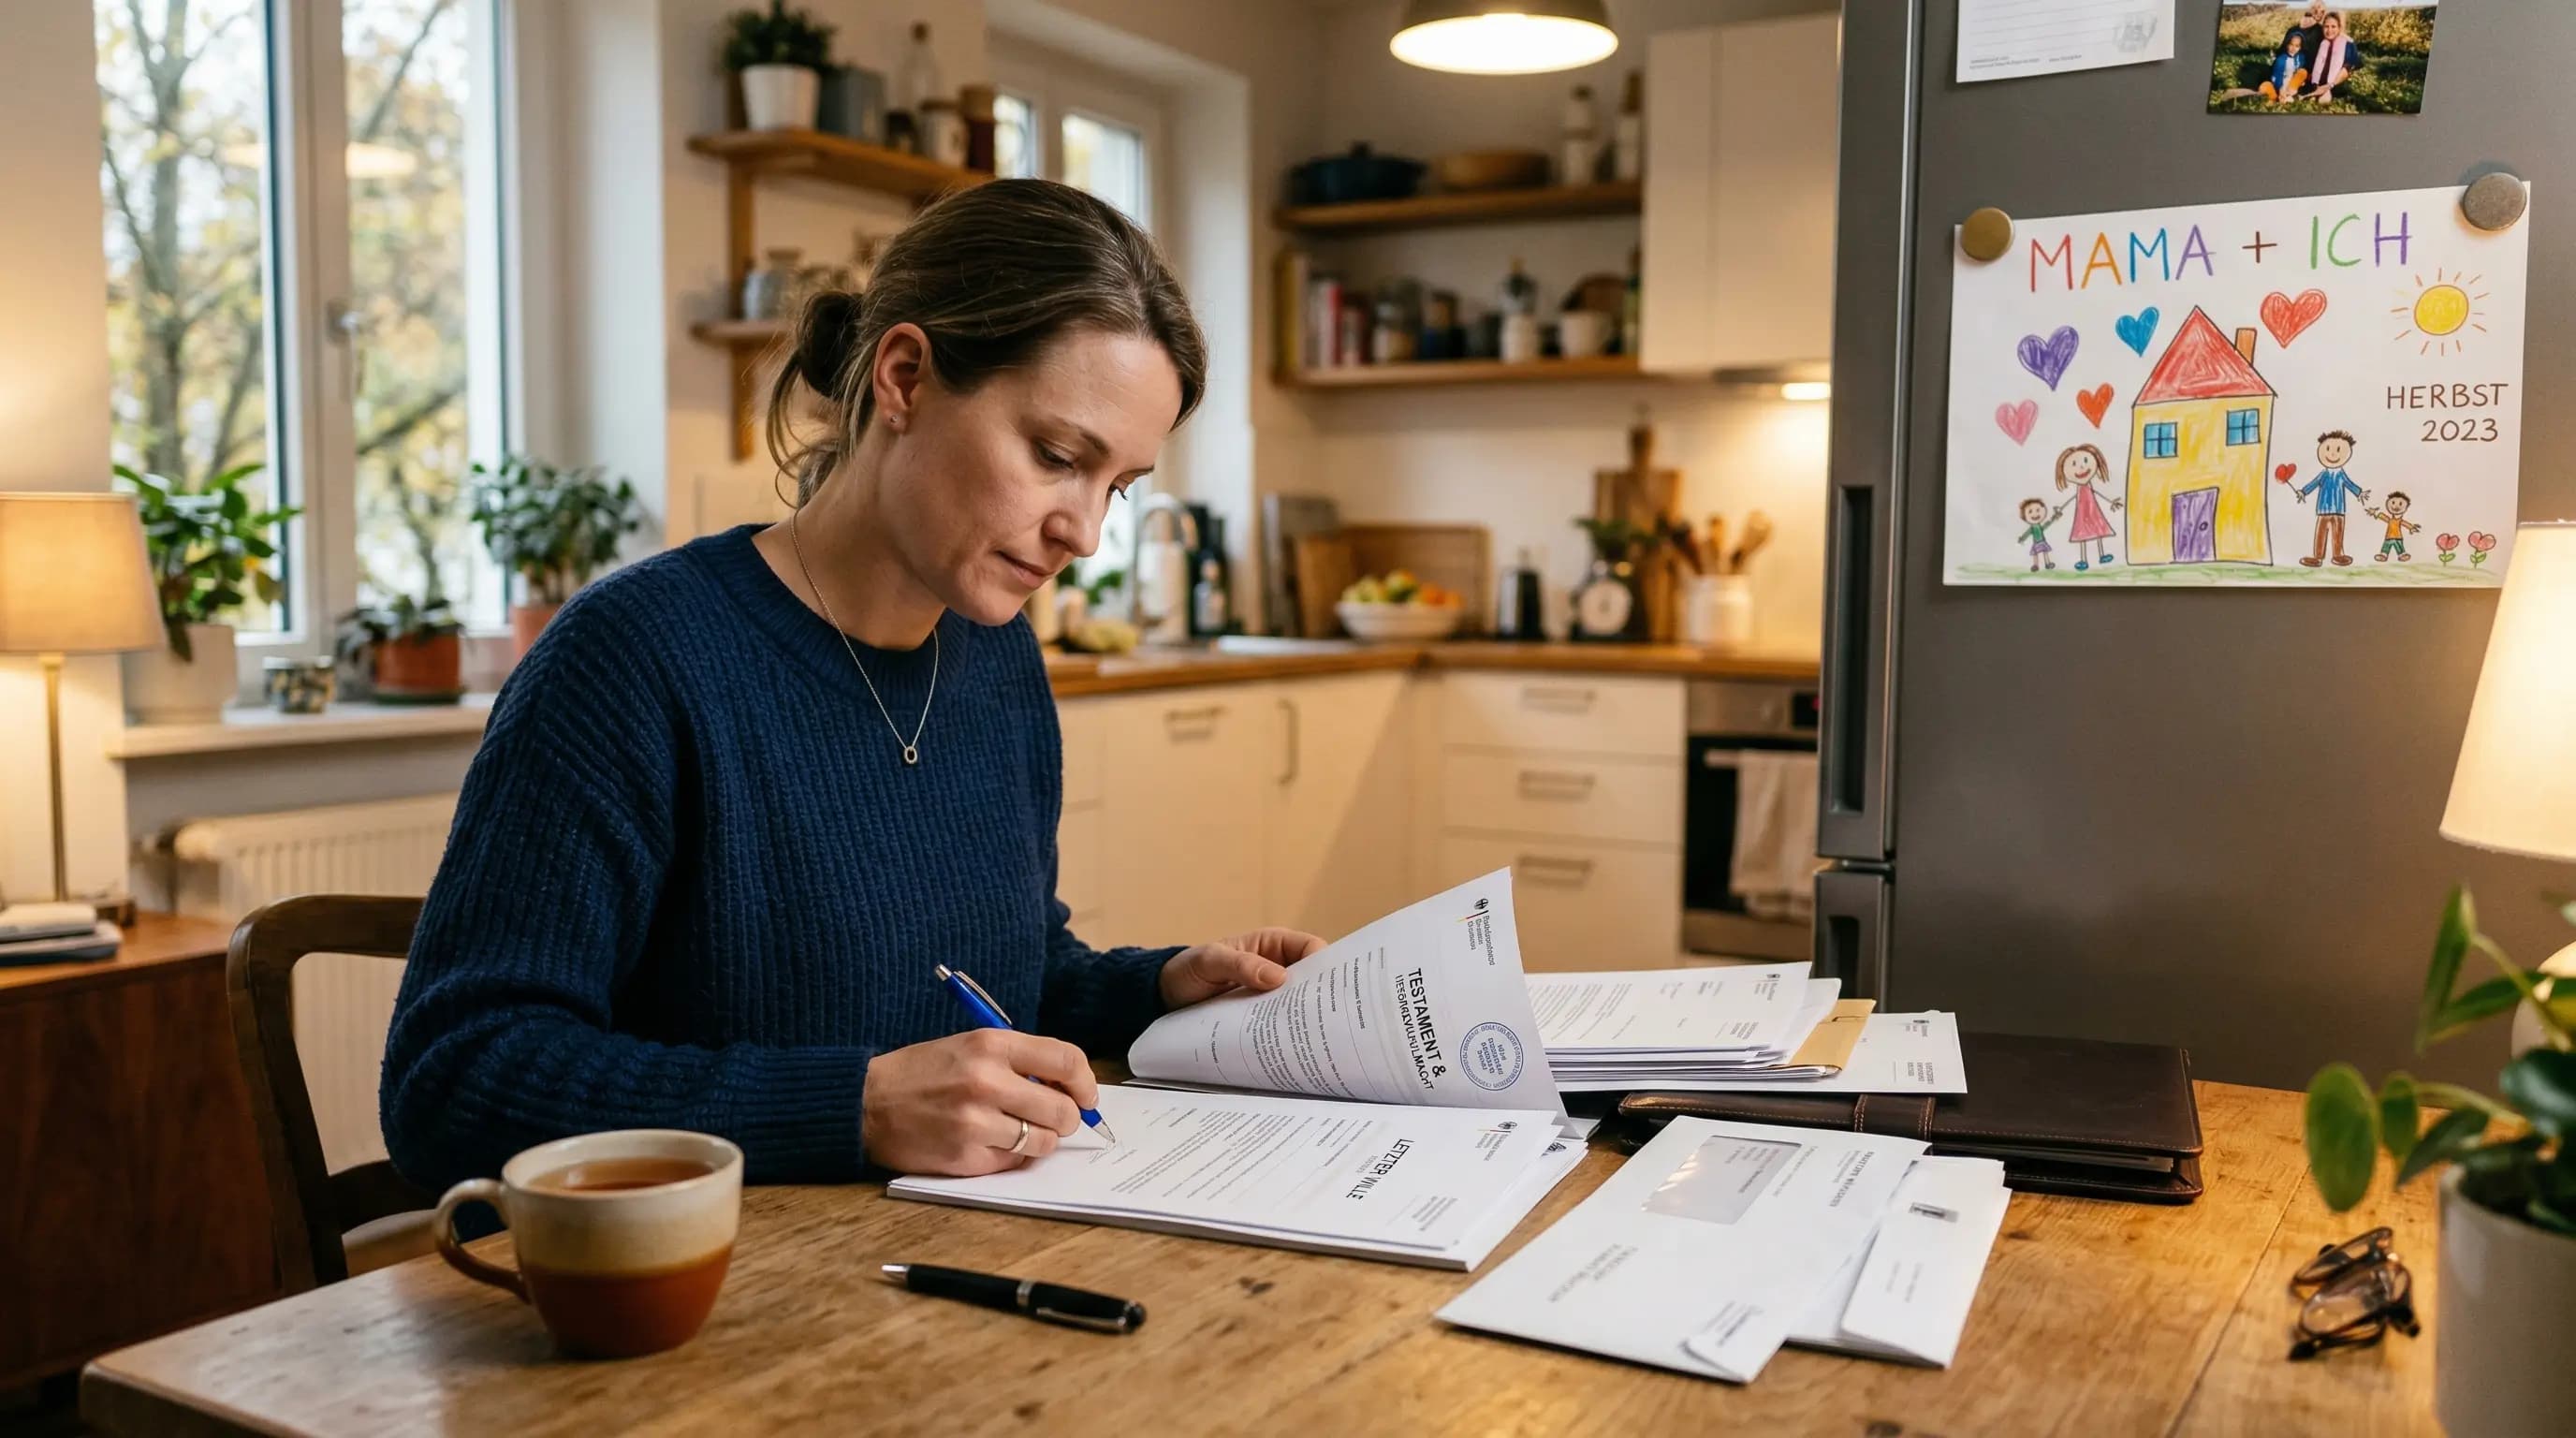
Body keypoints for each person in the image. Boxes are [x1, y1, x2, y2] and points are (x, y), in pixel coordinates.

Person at [381, 180, 1328, 1194]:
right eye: (1057, 456)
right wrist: (855, 1107)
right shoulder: (633, 659)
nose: (1084, 533)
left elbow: (995, 979)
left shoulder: (997, 659)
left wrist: (1157, 989)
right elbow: (453, 1082)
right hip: (694, 1275)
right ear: (904, 377)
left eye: (1118, 489)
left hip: (913, 1253)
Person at [2292, 430, 2368, 567]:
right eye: (2328, 449)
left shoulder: (2341, 474)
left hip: (2339, 509)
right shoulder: (2324, 474)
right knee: (2321, 533)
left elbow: (2349, 484)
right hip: (2323, 509)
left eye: (2338, 450)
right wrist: (2303, 492)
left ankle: (2338, 555)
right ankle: (2317, 557)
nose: (2332, 454)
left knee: (2337, 533)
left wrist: (2359, 493)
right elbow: (2314, 483)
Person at [2053, 443, 2122, 572]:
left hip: (2094, 512)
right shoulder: (2080, 489)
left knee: (2098, 529)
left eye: (2085, 461)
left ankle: (2102, 555)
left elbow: (2097, 493)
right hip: (2082, 514)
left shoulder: (2089, 487)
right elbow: (2074, 498)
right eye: (2074, 464)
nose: (2081, 467)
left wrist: (2111, 502)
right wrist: (2061, 508)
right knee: (2082, 533)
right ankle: (2083, 560)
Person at [2301, 11, 2364, 101]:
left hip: (2335, 84)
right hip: (2318, 83)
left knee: (2323, 100)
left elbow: (2346, 69)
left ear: (2339, 28)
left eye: (2333, 27)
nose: (2329, 31)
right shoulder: (2322, 43)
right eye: (2326, 27)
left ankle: (2324, 93)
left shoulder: (2348, 44)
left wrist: (2330, 85)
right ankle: (2316, 90)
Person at [2365, 491, 2421, 562]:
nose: (2396, 507)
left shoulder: (2399, 520)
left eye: (2400, 504)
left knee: (2399, 547)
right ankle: (2383, 555)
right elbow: (2382, 516)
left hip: (2398, 537)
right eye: (2393, 503)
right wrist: (2374, 513)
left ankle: (2402, 555)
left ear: (2406, 507)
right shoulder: (2390, 520)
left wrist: (2411, 528)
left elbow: (2405, 524)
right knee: (2386, 547)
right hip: (2388, 537)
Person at [2016, 496, 2066, 573]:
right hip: (2036, 543)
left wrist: (2054, 518)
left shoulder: (2039, 526)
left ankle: (2048, 564)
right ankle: (2035, 565)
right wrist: (2022, 538)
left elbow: (2047, 525)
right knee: (2035, 554)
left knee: (2045, 552)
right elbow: (2027, 533)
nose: (2035, 514)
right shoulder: (2032, 528)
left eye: (2038, 510)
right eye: (2030, 512)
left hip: (2042, 541)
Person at [2261, 32, 2308, 103]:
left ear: (2300, 47)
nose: (2293, 48)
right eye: (2291, 45)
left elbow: (2300, 70)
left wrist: (2301, 81)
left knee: (2303, 72)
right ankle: (2276, 97)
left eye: (2297, 46)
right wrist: (2280, 89)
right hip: (2281, 85)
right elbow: (2277, 76)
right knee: (2265, 86)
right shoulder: (2281, 59)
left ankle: (2289, 95)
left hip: (2292, 85)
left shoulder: (2301, 57)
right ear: (2287, 45)